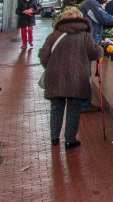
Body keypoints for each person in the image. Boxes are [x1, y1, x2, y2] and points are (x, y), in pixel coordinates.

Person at [39, 8, 101, 149]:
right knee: (73, 109)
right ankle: (69, 140)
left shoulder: (53, 36)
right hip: (77, 78)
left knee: (56, 108)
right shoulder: (85, 36)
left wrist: (50, 67)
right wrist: (101, 48)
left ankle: (54, 138)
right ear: (80, 19)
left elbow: (43, 55)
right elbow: (94, 54)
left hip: (55, 77)